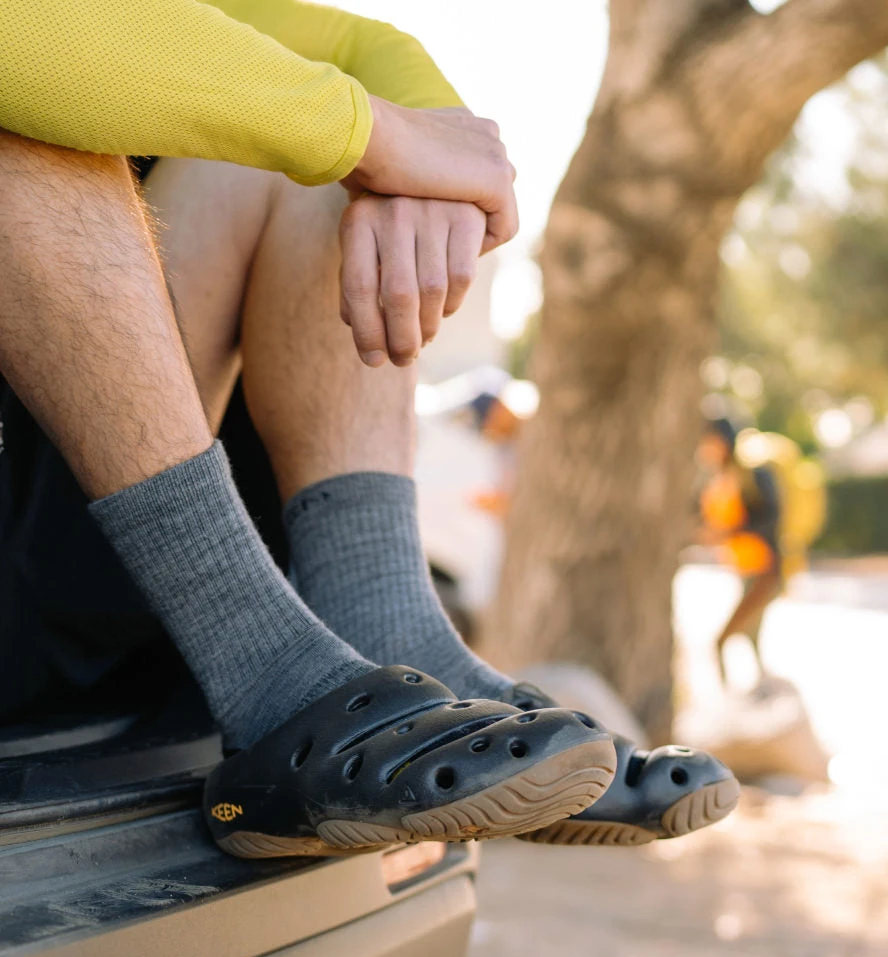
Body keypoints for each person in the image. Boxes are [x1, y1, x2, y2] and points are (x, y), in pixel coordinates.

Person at [0, 0, 737, 856]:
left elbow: (362, 46)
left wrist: (422, 168)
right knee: (28, 123)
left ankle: (387, 632)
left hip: (75, 544)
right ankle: (275, 678)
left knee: (295, 161)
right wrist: (375, 136)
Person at [697, 418, 783, 686]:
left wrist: (731, 532)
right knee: (749, 636)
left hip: (764, 569)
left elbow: (771, 515)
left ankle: (729, 699)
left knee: (723, 639)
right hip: (742, 568)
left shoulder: (752, 475)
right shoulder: (715, 480)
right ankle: (755, 692)